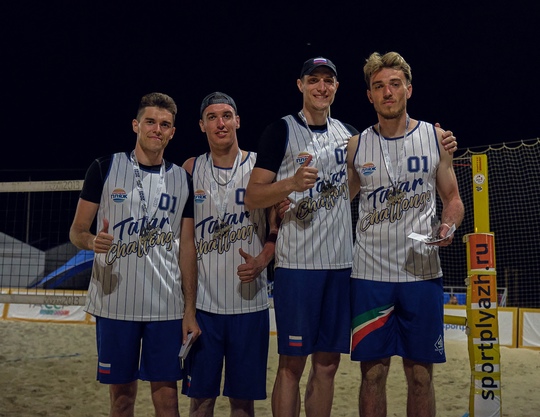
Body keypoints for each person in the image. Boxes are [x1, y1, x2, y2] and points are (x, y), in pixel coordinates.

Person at [347, 52, 465, 417]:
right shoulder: (356, 145)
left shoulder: (435, 137)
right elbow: (337, 202)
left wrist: (448, 225)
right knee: (372, 375)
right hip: (370, 276)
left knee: (420, 376)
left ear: (408, 89)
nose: (387, 92)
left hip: (422, 274)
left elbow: (453, 199)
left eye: (395, 84)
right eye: (379, 86)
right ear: (369, 95)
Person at [69, 92, 201, 417]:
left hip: (165, 306)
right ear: (135, 125)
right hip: (115, 304)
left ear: (172, 132)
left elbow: (187, 247)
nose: (157, 129)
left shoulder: (182, 179)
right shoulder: (104, 167)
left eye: (165, 124)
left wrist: (189, 309)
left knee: (167, 401)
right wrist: (92, 242)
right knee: (122, 399)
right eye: (150, 122)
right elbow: (77, 232)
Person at [244, 57, 359, 417]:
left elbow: (353, 186)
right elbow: (252, 196)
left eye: (328, 81)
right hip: (297, 267)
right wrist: (290, 184)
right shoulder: (280, 130)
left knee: (328, 364)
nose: (321, 87)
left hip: (340, 265)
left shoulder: (350, 135)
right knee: (292, 365)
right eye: (314, 80)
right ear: (300, 85)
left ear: (336, 87)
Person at [181, 92, 276, 417]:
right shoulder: (190, 169)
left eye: (226, 116)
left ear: (237, 120)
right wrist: (187, 308)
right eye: (212, 117)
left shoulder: (260, 167)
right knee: (200, 402)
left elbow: (277, 227)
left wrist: (264, 259)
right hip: (204, 309)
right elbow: (184, 240)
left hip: (250, 306)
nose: (220, 123)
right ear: (201, 125)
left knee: (243, 404)